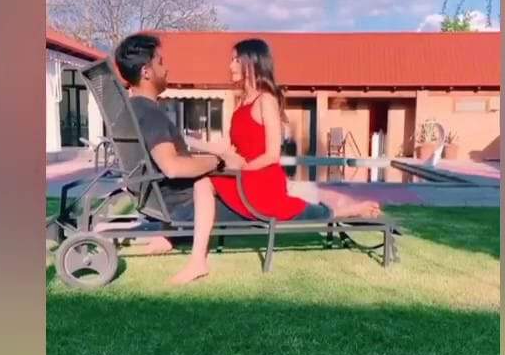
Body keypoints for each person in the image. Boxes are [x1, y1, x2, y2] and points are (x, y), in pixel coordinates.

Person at [111, 33, 244, 285]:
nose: (167, 68)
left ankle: (168, 237)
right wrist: (218, 161)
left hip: (162, 204)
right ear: (146, 72)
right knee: (278, 204)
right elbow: (172, 167)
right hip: (183, 208)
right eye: (160, 62)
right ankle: (198, 262)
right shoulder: (151, 114)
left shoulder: (132, 110)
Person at [209, 38, 382, 222]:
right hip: (242, 177)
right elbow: (233, 148)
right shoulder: (240, 104)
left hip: (260, 181)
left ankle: (352, 209)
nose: (230, 66)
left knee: (300, 209)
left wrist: (242, 168)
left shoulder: (266, 100)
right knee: (203, 181)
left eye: (236, 60)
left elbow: (272, 155)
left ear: (252, 63)